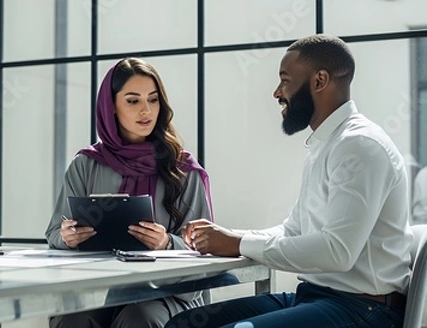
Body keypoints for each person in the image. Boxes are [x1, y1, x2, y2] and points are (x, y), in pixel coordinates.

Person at [165, 34, 412, 328]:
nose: (277, 92)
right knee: (184, 324)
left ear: (319, 81)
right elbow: (293, 230)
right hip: (316, 296)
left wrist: (238, 243)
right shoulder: (327, 145)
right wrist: (225, 237)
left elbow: (338, 253)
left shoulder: (359, 145)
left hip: (363, 309)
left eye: (285, 80)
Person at [45, 57, 214, 328]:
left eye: (153, 99)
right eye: (133, 101)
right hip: (100, 287)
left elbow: (204, 246)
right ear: (111, 106)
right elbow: (54, 232)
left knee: (139, 318)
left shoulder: (183, 168)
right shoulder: (86, 164)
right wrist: (67, 237)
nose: (146, 110)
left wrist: (166, 243)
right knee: (72, 320)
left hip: (168, 292)